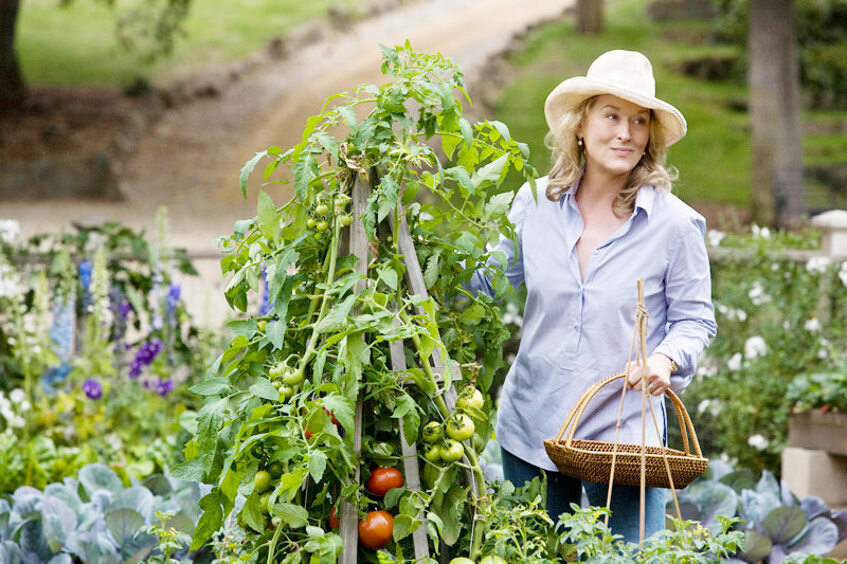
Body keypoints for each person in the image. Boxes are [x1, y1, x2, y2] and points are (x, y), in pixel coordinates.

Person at [469, 50, 717, 542]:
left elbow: (696, 321)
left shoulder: (673, 224)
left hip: (625, 439)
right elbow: (485, 281)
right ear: (580, 126)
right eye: (611, 116)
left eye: (639, 121)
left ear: (650, 136)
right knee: (535, 551)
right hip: (532, 422)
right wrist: (414, 244)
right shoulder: (534, 203)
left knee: (628, 557)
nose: (625, 133)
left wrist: (665, 359)